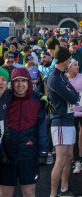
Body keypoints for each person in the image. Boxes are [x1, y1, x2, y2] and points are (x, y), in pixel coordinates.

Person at [0, 68, 48, 197]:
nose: (20, 85)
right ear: (12, 83)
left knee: (28, 192)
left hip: (29, 155)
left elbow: (42, 130)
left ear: (28, 83)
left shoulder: (38, 103)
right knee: (5, 193)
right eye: (16, 81)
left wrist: (43, 152)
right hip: (7, 154)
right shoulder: (5, 99)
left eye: (23, 81)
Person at [48, 46, 80, 197]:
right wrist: (71, 93)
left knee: (68, 158)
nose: (70, 61)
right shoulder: (55, 78)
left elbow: (74, 94)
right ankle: (53, 194)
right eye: (69, 59)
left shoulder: (62, 76)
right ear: (65, 60)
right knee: (60, 160)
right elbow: (73, 97)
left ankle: (64, 189)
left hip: (68, 120)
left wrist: (71, 92)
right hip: (60, 121)